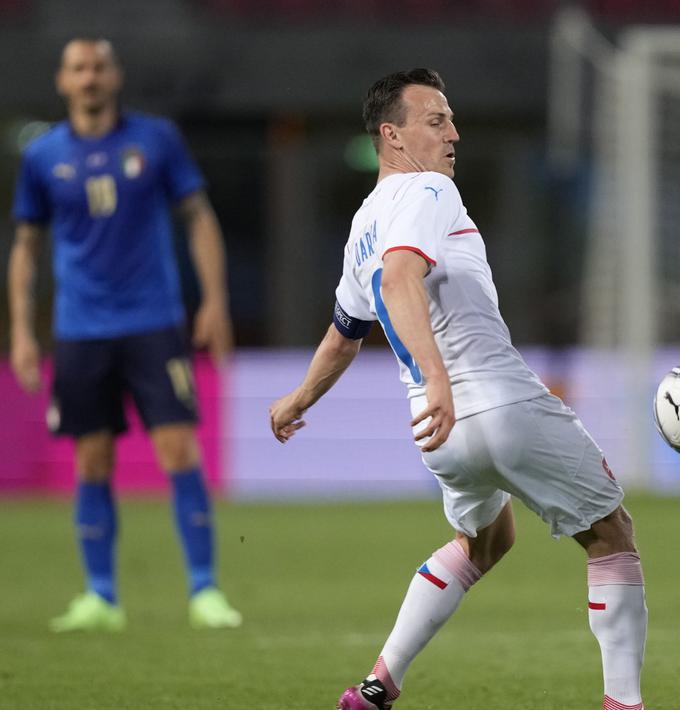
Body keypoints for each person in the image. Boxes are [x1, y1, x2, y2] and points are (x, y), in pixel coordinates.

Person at [267, 68, 647, 710]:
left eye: (451, 119)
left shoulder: (363, 224)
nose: (454, 133)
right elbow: (399, 282)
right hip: (493, 403)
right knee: (611, 534)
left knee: (486, 540)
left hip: (438, 434)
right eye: (436, 120)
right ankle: (625, 703)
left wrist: (298, 399)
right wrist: (441, 377)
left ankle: (377, 684)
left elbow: (344, 334)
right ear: (392, 136)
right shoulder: (430, 189)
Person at [7, 37, 241, 632]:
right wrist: (22, 331)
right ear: (63, 81)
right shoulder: (43, 156)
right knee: (92, 460)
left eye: (99, 67)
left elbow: (198, 216)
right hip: (81, 330)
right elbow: (26, 248)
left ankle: (204, 590)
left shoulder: (155, 140)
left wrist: (213, 300)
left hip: (154, 321)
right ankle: (101, 596)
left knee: (179, 451)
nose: (89, 78)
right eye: (78, 69)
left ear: (115, 76)